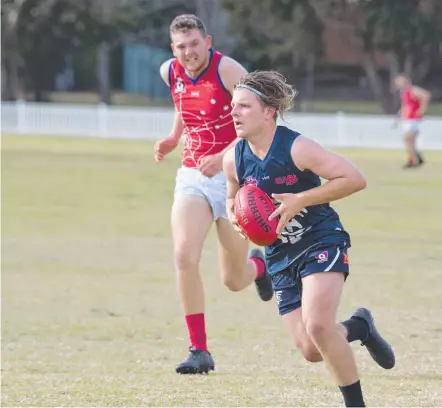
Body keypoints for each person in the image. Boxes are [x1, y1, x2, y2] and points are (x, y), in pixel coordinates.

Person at [223, 70, 396, 407]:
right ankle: (359, 326)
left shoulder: (296, 147)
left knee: (318, 326)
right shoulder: (234, 157)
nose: (234, 112)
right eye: (233, 106)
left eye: (244, 106)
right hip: (279, 254)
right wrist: (235, 217)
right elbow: (232, 197)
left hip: (320, 240)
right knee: (310, 349)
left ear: (269, 111)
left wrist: (300, 199)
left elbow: (354, 178)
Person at [154, 14, 273, 375]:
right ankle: (199, 350)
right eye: (181, 46)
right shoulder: (169, 71)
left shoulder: (229, 71)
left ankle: (259, 267)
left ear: (208, 41)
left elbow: (261, 119)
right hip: (193, 174)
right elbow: (182, 105)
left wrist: (223, 156)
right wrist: (175, 138)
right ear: (173, 49)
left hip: (234, 177)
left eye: (194, 44)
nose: (188, 52)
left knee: (233, 280)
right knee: (183, 256)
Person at [393, 74, 431, 168]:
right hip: (408, 119)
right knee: (410, 141)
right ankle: (417, 158)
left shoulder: (413, 90)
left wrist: (422, 109)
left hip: (413, 119)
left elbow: (426, 95)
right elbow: (405, 106)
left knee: (408, 139)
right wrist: (399, 116)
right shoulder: (404, 92)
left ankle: (413, 160)